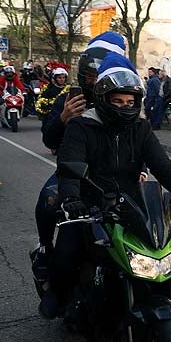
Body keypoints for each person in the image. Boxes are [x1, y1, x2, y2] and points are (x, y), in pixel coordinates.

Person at [44, 52, 171, 318]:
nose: (124, 106)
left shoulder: (140, 128)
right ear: (104, 99)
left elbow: (162, 165)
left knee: (163, 253)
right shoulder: (82, 126)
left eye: (130, 101)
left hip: (132, 205)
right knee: (66, 254)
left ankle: (164, 297)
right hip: (91, 204)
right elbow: (69, 166)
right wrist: (71, 200)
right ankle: (56, 297)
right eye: (117, 101)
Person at [32, 32, 127, 304]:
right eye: (90, 78)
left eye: (101, 77)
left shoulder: (122, 99)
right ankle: (44, 249)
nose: (95, 83)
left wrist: (142, 170)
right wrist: (63, 118)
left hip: (114, 173)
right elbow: (49, 139)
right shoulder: (67, 101)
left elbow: (139, 141)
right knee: (48, 201)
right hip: (73, 172)